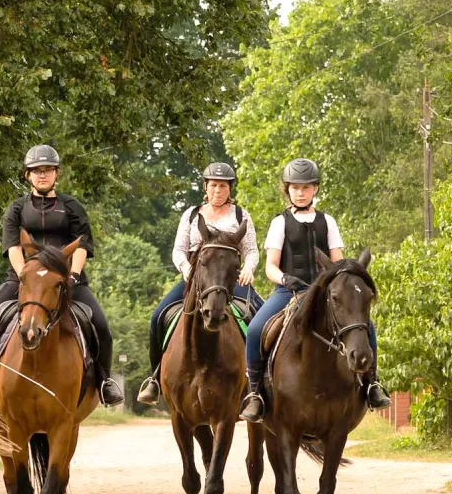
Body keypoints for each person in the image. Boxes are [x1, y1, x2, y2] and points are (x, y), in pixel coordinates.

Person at [239, 158, 392, 422]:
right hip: (290, 292)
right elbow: (270, 267)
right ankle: (255, 393)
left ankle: (372, 384)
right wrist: (285, 279)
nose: (300, 192)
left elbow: (339, 263)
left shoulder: (327, 221)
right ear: (287, 189)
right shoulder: (280, 222)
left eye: (306, 187)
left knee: (366, 325)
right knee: (254, 330)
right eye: (295, 187)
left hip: (325, 295)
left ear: (315, 189)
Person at [0, 144, 124, 407]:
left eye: (47, 170)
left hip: (64, 280)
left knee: (100, 324)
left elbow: (81, 245)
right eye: (36, 171)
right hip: (24, 278)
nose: (42, 175)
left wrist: (73, 276)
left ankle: (104, 381)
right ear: (27, 176)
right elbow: (12, 246)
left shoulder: (72, 207)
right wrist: (25, 275)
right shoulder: (17, 208)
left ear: (57, 173)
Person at [135, 162, 263, 405]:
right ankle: (154, 378)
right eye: (214, 185)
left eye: (223, 186)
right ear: (206, 187)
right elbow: (178, 250)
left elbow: (252, 251)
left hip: (229, 277)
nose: (218, 190)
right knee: (157, 315)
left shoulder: (240, 215)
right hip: (197, 276)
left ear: (230, 188)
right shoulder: (192, 215)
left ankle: (258, 383)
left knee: (259, 317)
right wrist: (185, 269)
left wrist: (248, 268)